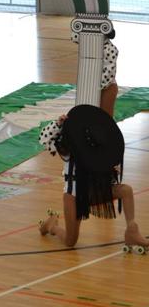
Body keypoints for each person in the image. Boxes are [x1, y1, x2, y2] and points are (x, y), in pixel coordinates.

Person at [38, 104, 149, 252]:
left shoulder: (97, 146)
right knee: (70, 241)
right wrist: (58, 124)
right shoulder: (66, 148)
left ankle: (132, 230)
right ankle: (52, 225)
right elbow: (43, 138)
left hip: (93, 192)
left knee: (126, 190)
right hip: (74, 196)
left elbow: (110, 161)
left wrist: (111, 169)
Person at [71, 26, 118, 117]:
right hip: (91, 86)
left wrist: (94, 88)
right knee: (88, 115)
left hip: (107, 89)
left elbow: (108, 75)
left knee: (105, 117)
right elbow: (75, 37)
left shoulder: (110, 49)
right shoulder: (90, 44)